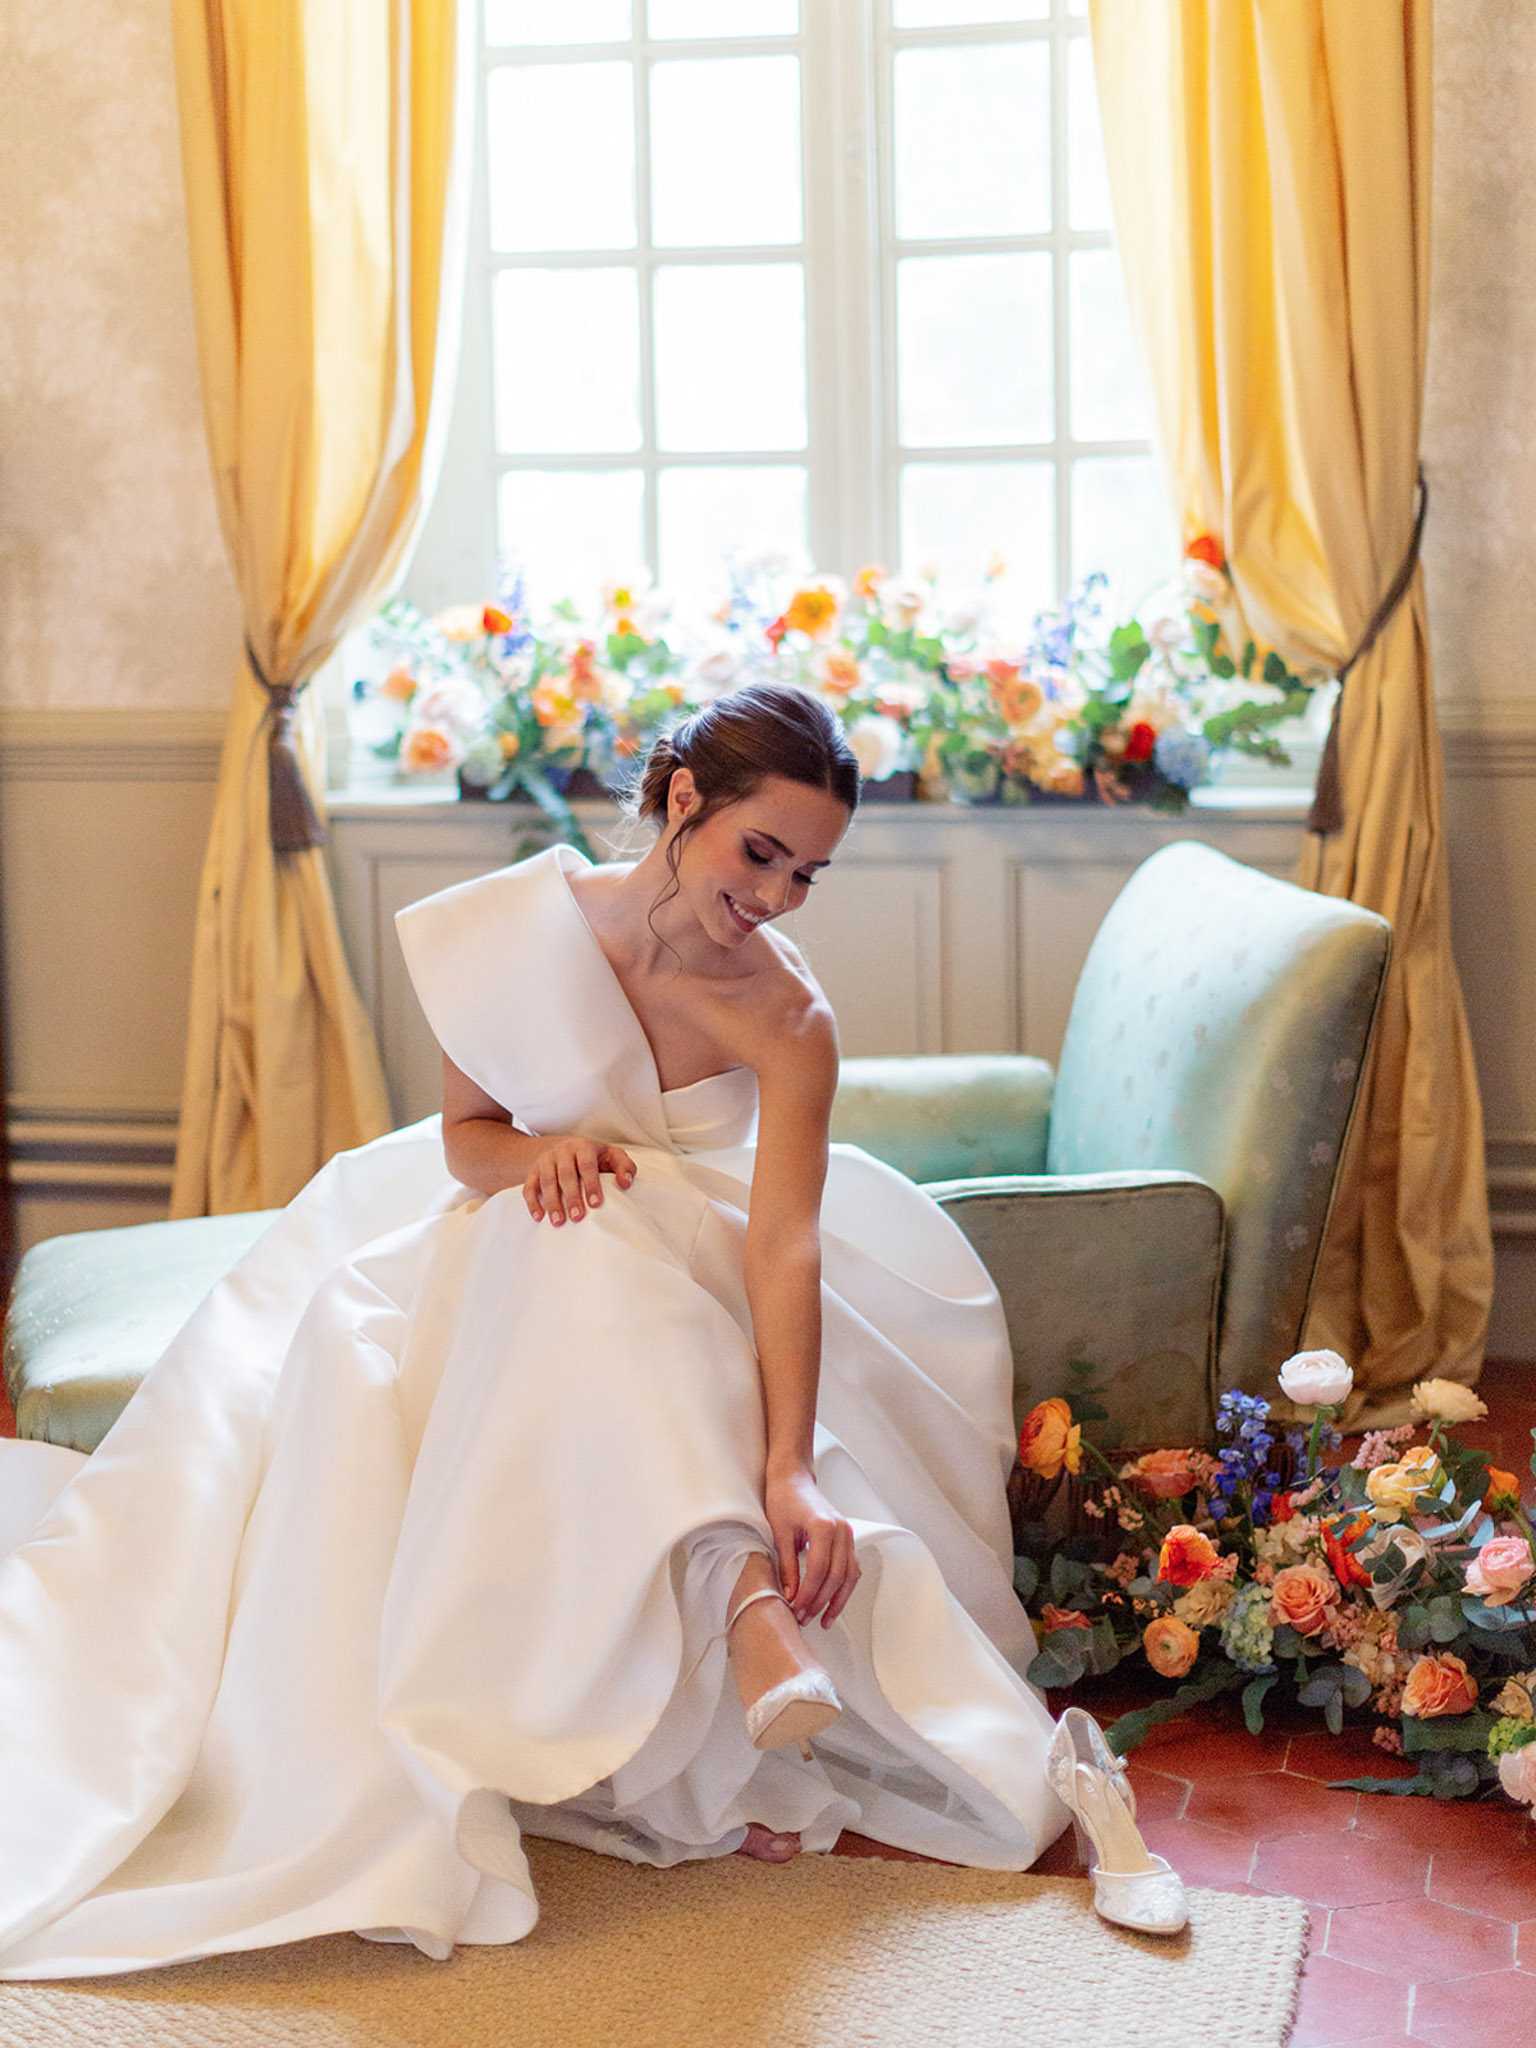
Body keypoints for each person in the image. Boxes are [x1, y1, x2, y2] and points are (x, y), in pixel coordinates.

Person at [0, 679, 1163, 1981]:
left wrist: (786, 1467)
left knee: (619, 1246)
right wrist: (541, 1157)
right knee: (583, 1235)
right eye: (759, 852)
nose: (778, 896)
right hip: (517, 1242)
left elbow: (780, 1243)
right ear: (682, 801)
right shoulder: (515, 933)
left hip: (713, 1270)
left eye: (809, 874)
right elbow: (465, 1141)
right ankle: (735, 1598)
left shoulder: (789, 1019)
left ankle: (733, 1584)